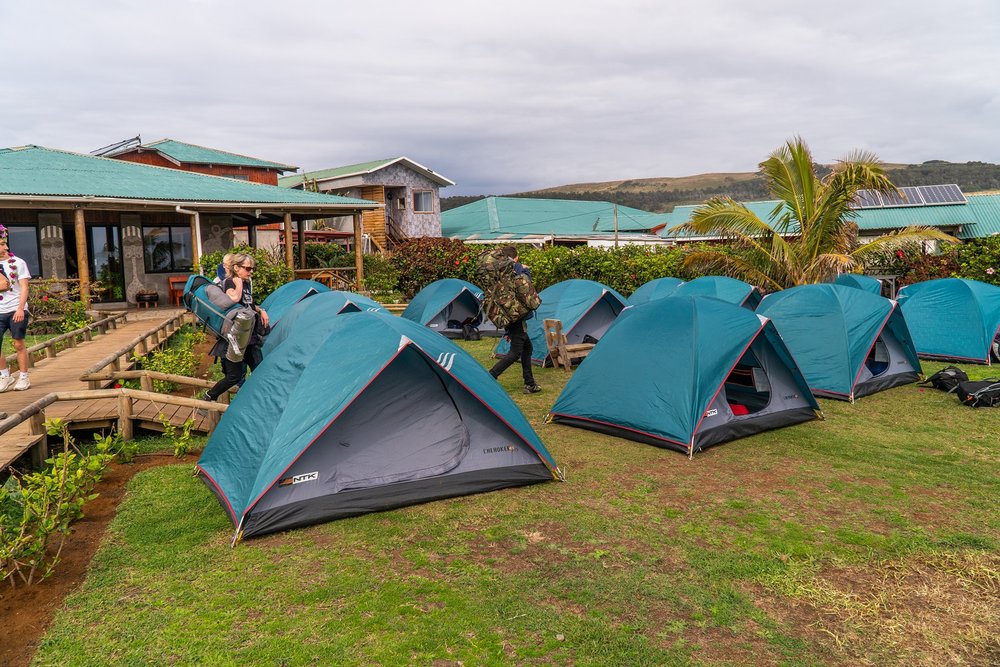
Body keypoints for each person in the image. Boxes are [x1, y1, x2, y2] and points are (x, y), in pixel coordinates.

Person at [201, 253, 269, 402]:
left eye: (252, 269)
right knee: (234, 377)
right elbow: (232, 300)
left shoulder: (245, 283)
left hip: (250, 337)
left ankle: (259, 402)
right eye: (248, 268)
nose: (251, 272)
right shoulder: (229, 283)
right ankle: (208, 397)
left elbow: (248, 305)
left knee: (261, 371)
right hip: (235, 338)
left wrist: (261, 310)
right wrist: (238, 284)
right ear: (236, 267)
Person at [488, 247, 542, 394]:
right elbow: (526, 287)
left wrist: (507, 330)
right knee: (515, 353)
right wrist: (525, 270)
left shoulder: (500, 271)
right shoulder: (517, 270)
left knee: (527, 348)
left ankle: (530, 383)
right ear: (516, 258)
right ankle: (491, 375)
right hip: (518, 316)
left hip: (510, 314)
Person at [0, 227, 31, 392]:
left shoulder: (18, 262)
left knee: (18, 344)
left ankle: (24, 377)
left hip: (15, 309)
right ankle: (5, 376)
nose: (3, 247)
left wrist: (20, 308)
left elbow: (25, 288)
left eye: (3, 244)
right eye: (0, 244)